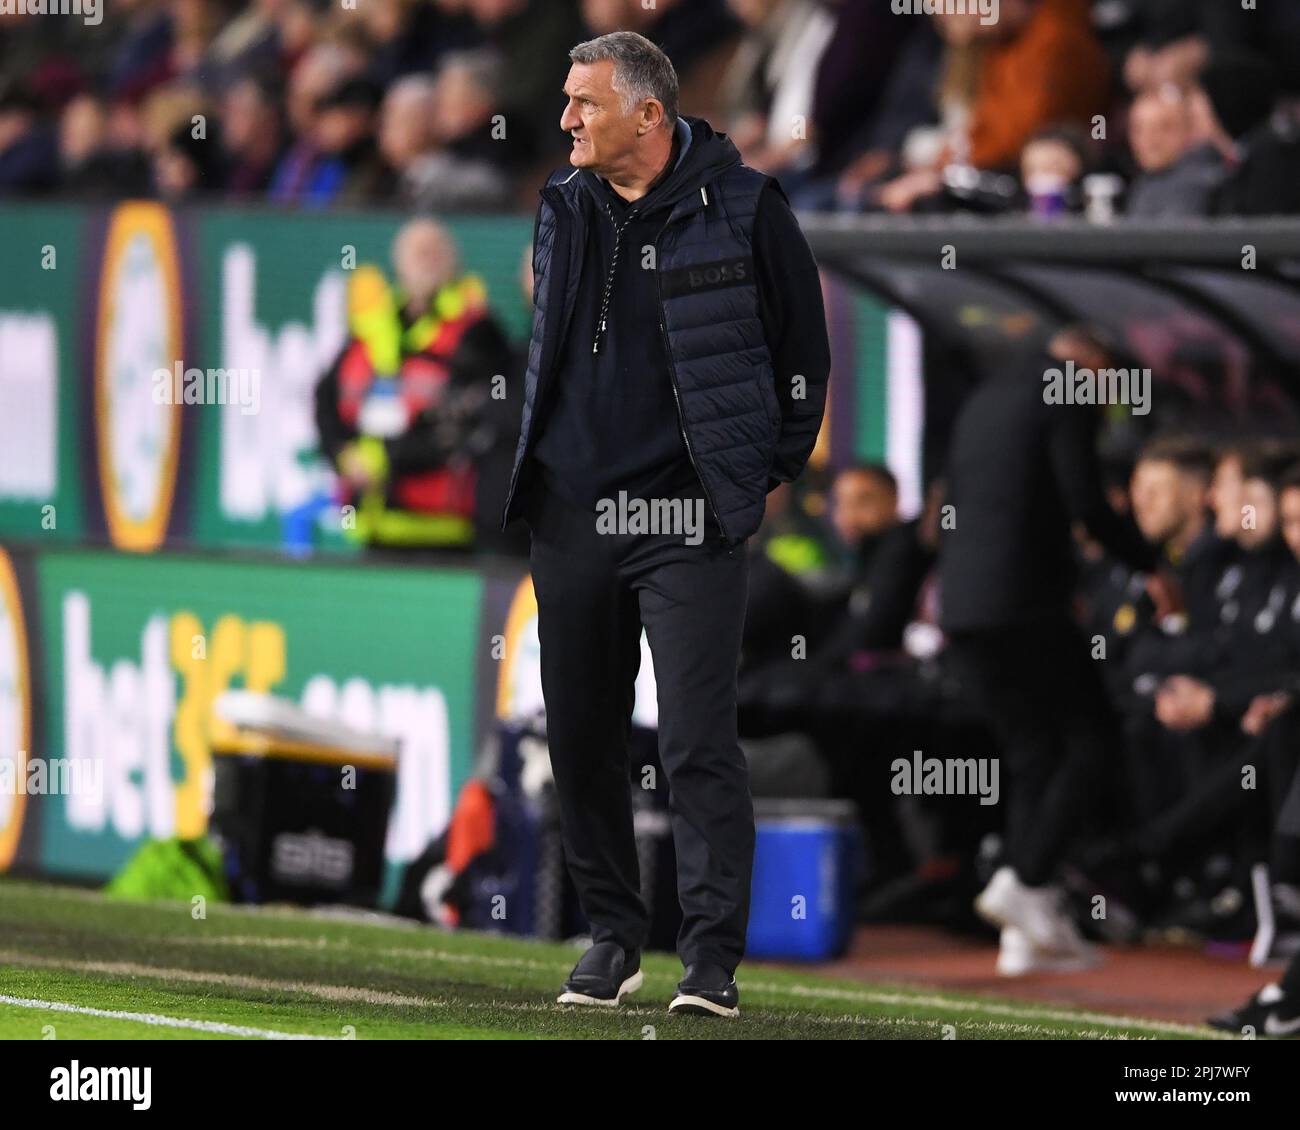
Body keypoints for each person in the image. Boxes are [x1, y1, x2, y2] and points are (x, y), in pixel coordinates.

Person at [500, 30, 828, 1016]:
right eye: (564, 99)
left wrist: (761, 473)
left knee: (694, 738)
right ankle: (610, 935)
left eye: (583, 104)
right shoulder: (561, 202)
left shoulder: (748, 206)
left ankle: (711, 959)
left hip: (686, 513)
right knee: (582, 735)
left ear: (647, 114)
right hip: (572, 508)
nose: (564, 119)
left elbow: (801, 354)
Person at [939, 325, 1162, 976]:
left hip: (964, 609)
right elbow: (1086, 504)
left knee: (1034, 752)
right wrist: (1151, 566)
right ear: (1092, 360)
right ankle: (1026, 879)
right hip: (1025, 604)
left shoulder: (986, 396)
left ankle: (1026, 933)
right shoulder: (1063, 393)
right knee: (1093, 739)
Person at [315, 218, 512, 553]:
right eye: (417, 252)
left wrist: (385, 458)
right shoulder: (371, 325)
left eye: (435, 251)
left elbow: (476, 423)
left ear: (454, 261)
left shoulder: (476, 330)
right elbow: (326, 399)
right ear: (398, 260)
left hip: (444, 534)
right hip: (374, 528)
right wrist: (343, 453)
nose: (426, 260)